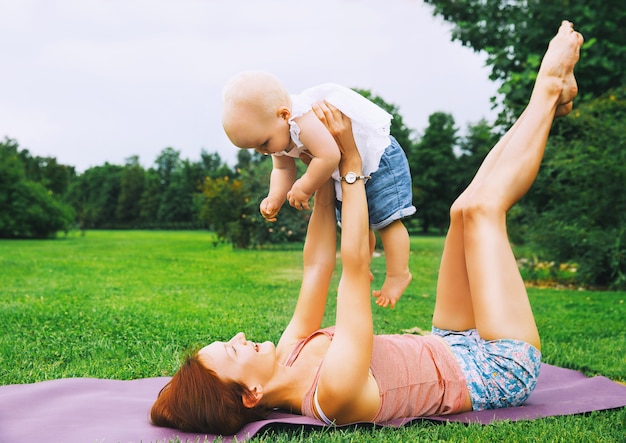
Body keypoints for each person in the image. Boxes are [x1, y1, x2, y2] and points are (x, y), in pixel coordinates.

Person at [151, 21, 583, 436]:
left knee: (462, 210)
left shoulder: (289, 352)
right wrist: (351, 165)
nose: (239, 337)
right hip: (496, 370)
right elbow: (355, 268)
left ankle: (546, 103)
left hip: (449, 344)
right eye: (231, 350)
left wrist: (322, 181)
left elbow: (318, 266)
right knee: (485, 210)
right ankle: (547, 89)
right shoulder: (331, 394)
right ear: (252, 394)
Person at [222, 74, 415, 308]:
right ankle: (361, 270)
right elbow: (282, 170)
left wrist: (304, 186)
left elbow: (329, 155)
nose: (262, 151)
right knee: (355, 225)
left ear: (284, 115)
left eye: (263, 143)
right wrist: (274, 196)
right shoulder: (275, 131)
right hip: (347, 170)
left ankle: (398, 274)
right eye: (255, 147)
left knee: (387, 221)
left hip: (377, 158)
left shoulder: (302, 119)